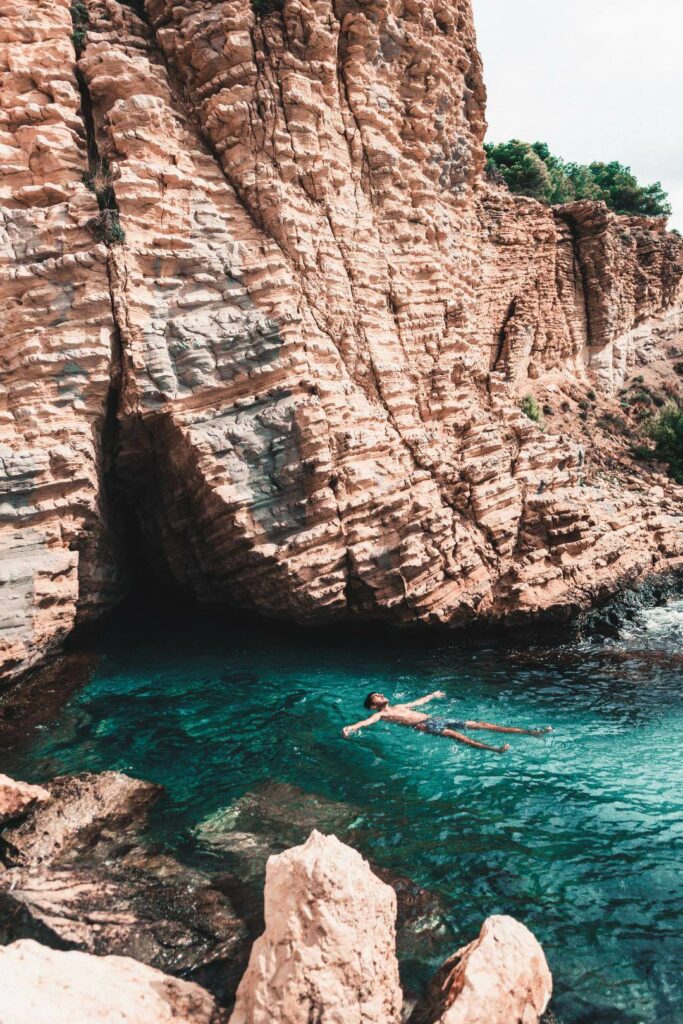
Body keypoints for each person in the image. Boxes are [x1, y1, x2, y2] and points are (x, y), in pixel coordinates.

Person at [341, 691, 552, 754]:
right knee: (460, 737)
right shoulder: (381, 715)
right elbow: (366, 722)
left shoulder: (400, 706)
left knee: (481, 724)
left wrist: (432, 695)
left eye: (379, 693)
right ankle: (495, 749)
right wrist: (351, 727)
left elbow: (418, 701)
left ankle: (530, 732)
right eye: (376, 697)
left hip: (436, 719)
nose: (380, 695)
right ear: (373, 705)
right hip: (426, 726)